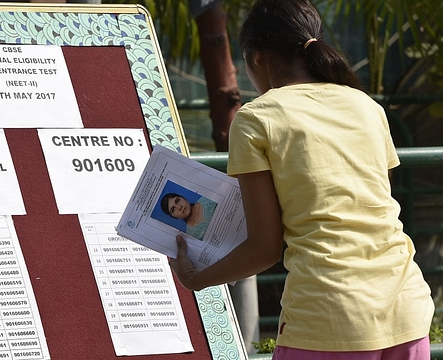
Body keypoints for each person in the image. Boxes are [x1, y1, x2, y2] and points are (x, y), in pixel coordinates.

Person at [168, 0, 435, 359]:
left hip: (327, 317)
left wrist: (194, 279)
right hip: (407, 309)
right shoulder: (366, 106)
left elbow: (265, 249)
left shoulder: (255, 119)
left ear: (256, 58)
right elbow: (370, 204)